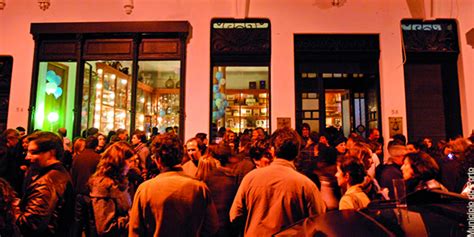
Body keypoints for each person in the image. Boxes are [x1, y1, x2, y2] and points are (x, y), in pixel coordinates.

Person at [230, 127, 326, 236]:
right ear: (297, 152)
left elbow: (235, 215)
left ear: (272, 150)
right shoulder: (306, 185)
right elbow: (317, 222)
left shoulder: (250, 178)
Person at [129, 133, 218, 236]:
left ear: (158, 160)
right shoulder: (199, 188)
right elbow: (212, 226)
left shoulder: (145, 189)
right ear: (181, 156)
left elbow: (135, 231)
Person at [17, 131, 74, 237]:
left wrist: (11, 207)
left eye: (34, 152)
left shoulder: (47, 182)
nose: (27, 157)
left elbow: (32, 225)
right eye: (27, 152)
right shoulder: (56, 174)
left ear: (51, 153)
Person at [88, 142, 135, 237]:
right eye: (129, 161)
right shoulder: (104, 187)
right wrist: (132, 218)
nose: (132, 165)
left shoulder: (120, 182)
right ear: (119, 162)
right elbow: (105, 228)